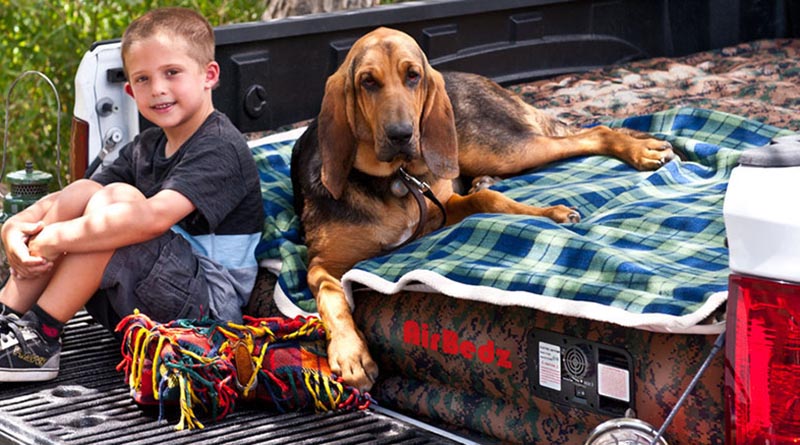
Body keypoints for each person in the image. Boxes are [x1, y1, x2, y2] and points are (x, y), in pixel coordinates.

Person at [0, 7, 264, 382]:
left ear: (209, 75)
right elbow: (72, 198)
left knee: (117, 206)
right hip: (151, 299)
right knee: (87, 189)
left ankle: (40, 339)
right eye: (143, 79)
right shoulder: (146, 146)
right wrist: (16, 226)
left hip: (210, 318)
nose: (157, 88)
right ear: (129, 90)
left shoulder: (221, 147)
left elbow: (151, 219)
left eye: (172, 72)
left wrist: (54, 238)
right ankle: (8, 317)